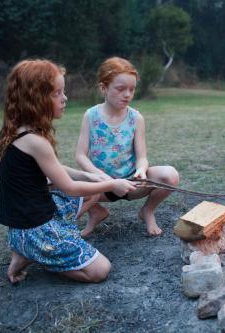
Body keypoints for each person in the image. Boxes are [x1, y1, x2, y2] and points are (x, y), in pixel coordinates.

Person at [0, 59, 138, 284]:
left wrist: (89, 175)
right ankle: (37, 253)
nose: (65, 98)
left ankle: (28, 249)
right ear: (36, 99)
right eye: (57, 93)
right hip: (35, 229)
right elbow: (69, 188)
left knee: (91, 190)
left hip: (26, 222)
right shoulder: (36, 141)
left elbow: (56, 170)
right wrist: (112, 184)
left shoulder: (21, 131)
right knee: (100, 270)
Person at [76, 57, 179, 236]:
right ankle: (97, 212)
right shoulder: (91, 116)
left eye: (132, 89)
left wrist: (141, 170)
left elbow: (142, 157)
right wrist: (105, 180)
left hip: (132, 184)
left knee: (170, 175)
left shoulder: (136, 118)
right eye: (120, 89)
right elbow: (81, 156)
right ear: (103, 88)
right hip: (101, 186)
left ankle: (147, 211)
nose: (127, 94)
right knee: (65, 188)